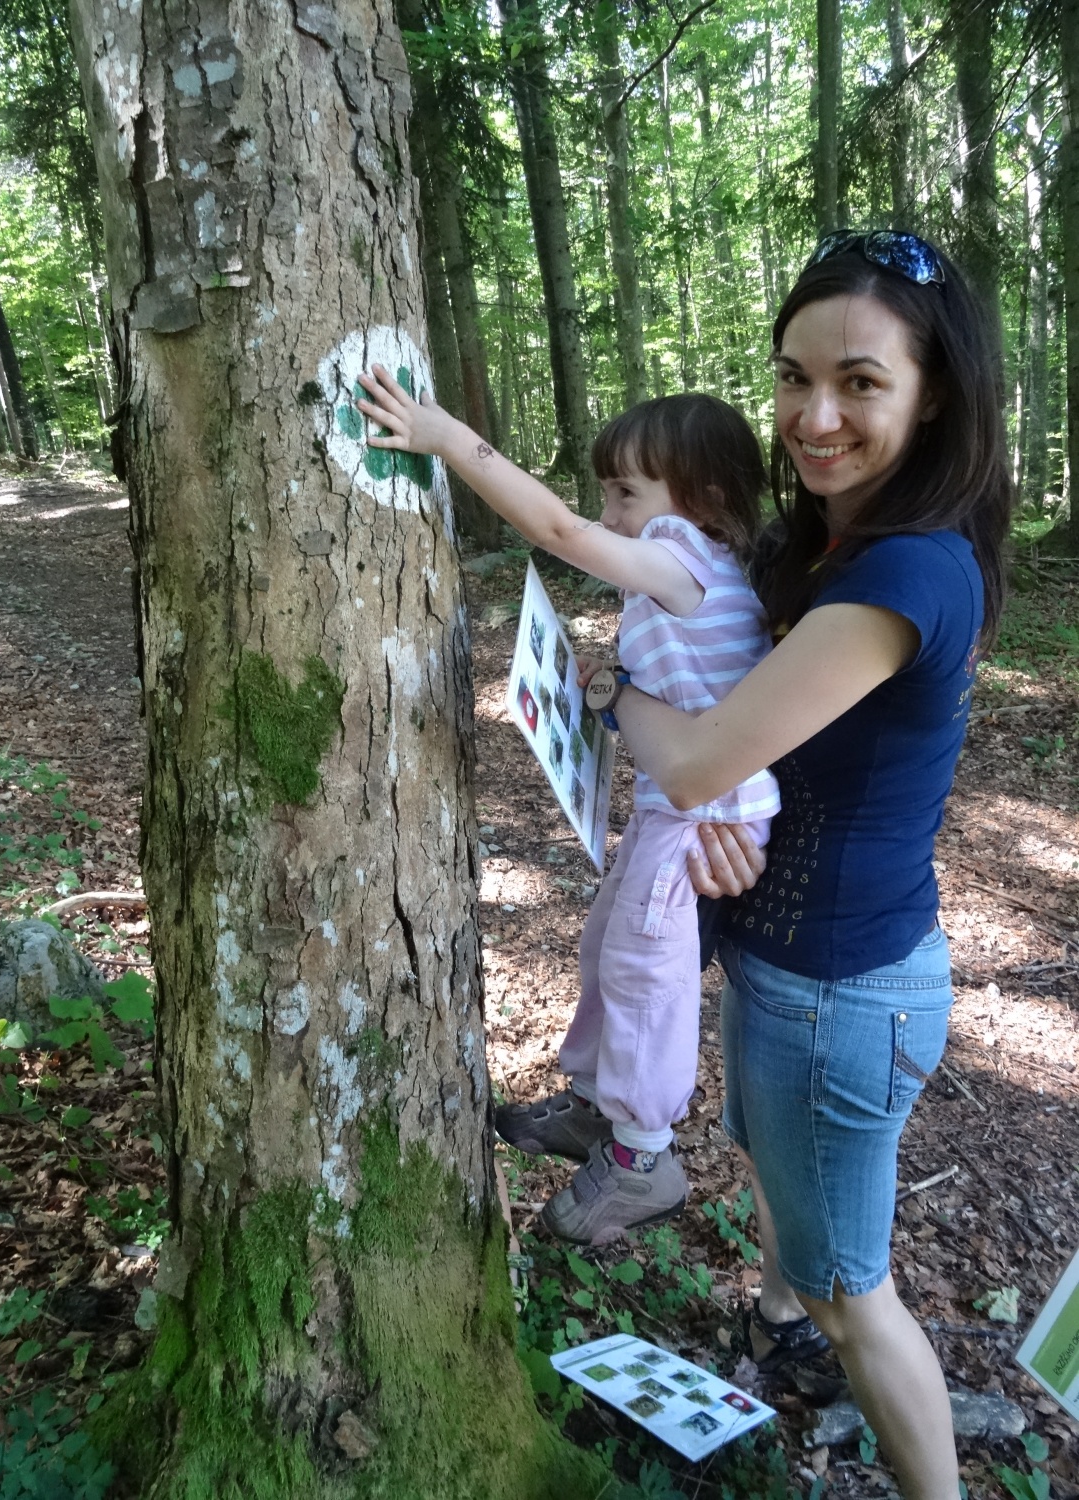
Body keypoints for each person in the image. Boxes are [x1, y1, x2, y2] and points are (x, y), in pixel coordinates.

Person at [609, 231, 1012, 1500]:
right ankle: (781, 1324)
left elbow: (694, 758)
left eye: (858, 382)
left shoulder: (905, 572)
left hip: (843, 993)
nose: (812, 414)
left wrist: (621, 697)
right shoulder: (823, 545)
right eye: (792, 378)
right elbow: (738, 741)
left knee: (860, 1297)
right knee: (785, 1198)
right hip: (795, 965)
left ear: (932, 390)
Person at [355, 373, 780, 1243]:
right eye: (606, 492)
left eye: (626, 491)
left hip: (702, 820)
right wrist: (612, 687)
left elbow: (556, 530)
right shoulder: (692, 575)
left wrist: (447, 439)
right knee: (606, 949)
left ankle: (644, 1158)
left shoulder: (682, 555)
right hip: (673, 810)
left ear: (698, 500)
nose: (610, 510)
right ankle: (594, 1107)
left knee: (645, 973)